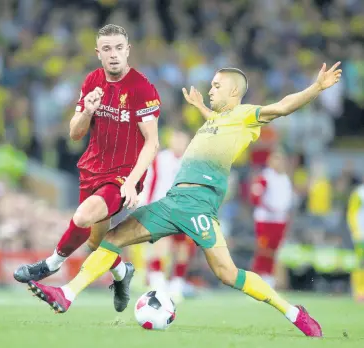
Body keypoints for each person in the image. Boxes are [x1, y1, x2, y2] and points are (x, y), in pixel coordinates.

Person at [26, 62, 342, 337]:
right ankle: (67, 294)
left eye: (216, 86)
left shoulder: (246, 116)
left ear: (234, 92)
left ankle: (293, 313)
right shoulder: (214, 120)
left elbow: (283, 106)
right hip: (172, 200)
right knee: (110, 239)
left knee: (227, 274)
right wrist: (200, 108)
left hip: (199, 205)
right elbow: (218, 122)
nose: (211, 90)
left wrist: (316, 87)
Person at [13, 24, 160, 313]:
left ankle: (50, 265)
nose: (114, 54)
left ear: (128, 50)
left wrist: (131, 182)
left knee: (82, 216)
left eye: (119, 48)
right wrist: (88, 111)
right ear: (98, 53)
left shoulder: (142, 88)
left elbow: (152, 143)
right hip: (92, 170)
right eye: (107, 49)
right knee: (95, 242)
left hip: (121, 176)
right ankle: (122, 273)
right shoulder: (92, 80)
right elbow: (75, 133)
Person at [140, 129, 194, 300]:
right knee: (160, 244)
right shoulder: (160, 159)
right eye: (175, 140)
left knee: (182, 248)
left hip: (184, 211)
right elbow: (150, 181)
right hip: (161, 207)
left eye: (182, 141)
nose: (178, 144)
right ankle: (157, 280)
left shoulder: (192, 162)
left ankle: (177, 283)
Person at [250, 150, 293, 288]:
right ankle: (258, 277)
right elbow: (255, 196)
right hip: (265, 219)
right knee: (264, 249)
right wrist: (268, 207)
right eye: (276, 159)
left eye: (281, 160)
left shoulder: (285, 178)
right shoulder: (265, 177)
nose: (278, 163)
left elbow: (287, 200)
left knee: (274, 250)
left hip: (279, 220)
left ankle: (268, 276)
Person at [347, 179, 364, 302]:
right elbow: (351, 213)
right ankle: (358, 291)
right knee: (360, 263)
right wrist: (355, 230)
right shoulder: (359, 193)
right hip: (361, 235)